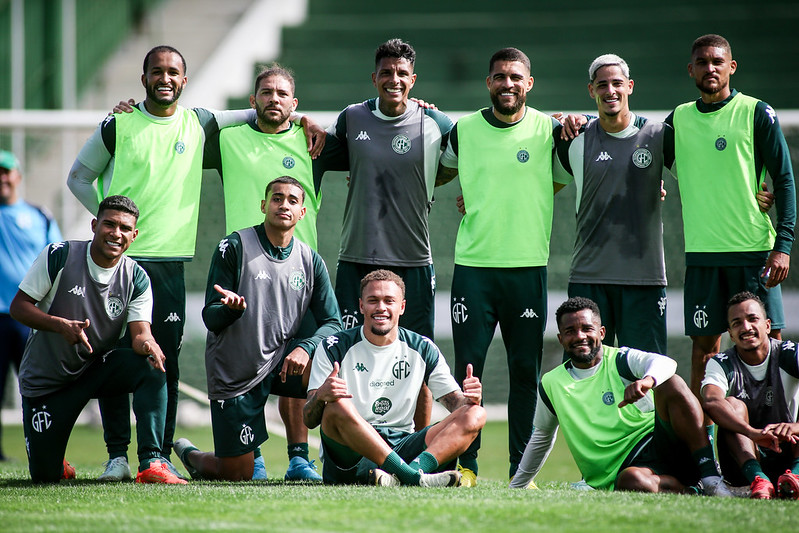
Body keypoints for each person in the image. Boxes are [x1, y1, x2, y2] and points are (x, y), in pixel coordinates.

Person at [66, 45, 325, 480]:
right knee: (113, 355)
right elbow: (78, 177)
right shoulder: (119, 124)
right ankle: (115, 456)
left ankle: (157, 456)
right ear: (144, 77)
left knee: (162, 358)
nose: (165, 78)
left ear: (184, 81)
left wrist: (303, 119)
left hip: (169, 261)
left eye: (173, 72)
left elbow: (260, 116)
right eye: (157, 71)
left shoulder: (200, 122)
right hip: (121, 261)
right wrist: (110, 227)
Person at [202, 64, 346, 481]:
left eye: (283, 94)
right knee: (249, 367)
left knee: (299, 365)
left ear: (294, 103)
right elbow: (179, 127)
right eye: (266, 92)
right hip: (245, 270)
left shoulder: (314, 143)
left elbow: (375, 145)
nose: (274, 99)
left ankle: (300, 456)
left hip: (299, 275)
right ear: (253, 100)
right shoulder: (228, 140)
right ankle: (252, 453)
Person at [436, 47, 571, 485]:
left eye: (516, 77)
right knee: (468, 374)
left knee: (523, 374)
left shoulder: (550, 131)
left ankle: (520, 471)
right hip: (474, 270)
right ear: (488, 83)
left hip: (527, 269)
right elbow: (442, 172)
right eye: (499, 77)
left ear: (529, 83)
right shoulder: (465, 130)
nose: (507, 84)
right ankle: (465, 466)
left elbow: (558, 179)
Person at [322, 38, 454, 439]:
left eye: (402, 73)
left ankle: (418, 442)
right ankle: (343, 445)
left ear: (413, 79)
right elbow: (317, 147)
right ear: (374, 77)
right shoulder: (351, 118)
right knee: (345, 353)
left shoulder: (438, 123)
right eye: (386, 73)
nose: (393, 79)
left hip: (413, 260)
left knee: (420, 358)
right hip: (358, 257)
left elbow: (474, 163)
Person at [172, 177, 341, 481]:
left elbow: (333, 322)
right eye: (277, 199)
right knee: (238, 474)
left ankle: (320, 461)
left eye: (292, 200)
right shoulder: (234, 246)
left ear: (302, 212)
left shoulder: (310, 260)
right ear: (264, 206)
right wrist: (229, 310)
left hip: (281, 362)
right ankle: (193, 456)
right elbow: (210, 317)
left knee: (335, 376)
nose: (284, 205)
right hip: (236, 371)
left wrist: (305, 347)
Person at [9, 195, 183, 484]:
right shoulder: (59, 255)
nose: (116, 233)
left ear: (134, 235)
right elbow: (18, 307)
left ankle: (152, 461)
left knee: (150, 365)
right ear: (94, 225)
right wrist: (59, 325)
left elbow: (141, 334)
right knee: (45, 476)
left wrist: (149, 344)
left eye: (125, 228)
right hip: (47, 382)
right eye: (109, 224)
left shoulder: (136, 277)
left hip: (94, 370)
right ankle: (53, 457)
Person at [665, 34, 796, 407]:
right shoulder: (678, 119)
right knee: (704, 354)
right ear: (691, 70)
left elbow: (784, 180)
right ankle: (702, 454)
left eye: (717, 62)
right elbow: (660, 162)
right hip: (703, 256)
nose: (710, 69)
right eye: (702, 62)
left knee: (770, 351)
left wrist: (782, 247)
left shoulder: (757, 112)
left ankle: (782, 442)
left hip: (754, 252)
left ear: (731, 67)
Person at [510, 297, 731, 495]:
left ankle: (710, 476)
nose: (580, 336)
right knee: (632, 481)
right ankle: (692, 490)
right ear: (560, 338)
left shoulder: (620, 359)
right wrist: (518, 485)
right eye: (570, 331)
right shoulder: (551, 382)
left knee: (670, 382)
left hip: (661, 443)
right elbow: (542, 437)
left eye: (587, 328)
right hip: (630, 470)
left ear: (602, 333)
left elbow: (666, 363)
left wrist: (647, 381)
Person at [303, 269, 485, 486]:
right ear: (361, 306)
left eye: (389, 301)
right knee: (335, 406)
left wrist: (470, 399)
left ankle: (409, 473)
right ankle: (412, 477)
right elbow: (309, 419)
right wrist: (322, 395)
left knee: (476, 414)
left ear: (402, 306)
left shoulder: (422, 347)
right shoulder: (333, 347)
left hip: (404, 444)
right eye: (373, 301)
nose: (381, 307)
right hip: (354, 449)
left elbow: (457, 405)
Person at [701, 292, 799, 499]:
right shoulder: (721, 362)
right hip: (745, 459)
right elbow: (710, 400)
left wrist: (795, 426)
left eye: (753, 319)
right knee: (730, 405)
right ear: (730, 333)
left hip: (790, 448)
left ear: (767, 325)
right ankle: (759, 479)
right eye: (737, 323)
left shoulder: (790, 353)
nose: (746, 327)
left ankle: (795, 477)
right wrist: (751, 432)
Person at [0, 150, 62, 461]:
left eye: (6, 171)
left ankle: (42, 448)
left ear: (18, 177)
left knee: (37, 386)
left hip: (29, 316)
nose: (2, 177)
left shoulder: (39, 215)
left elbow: (57, 260)